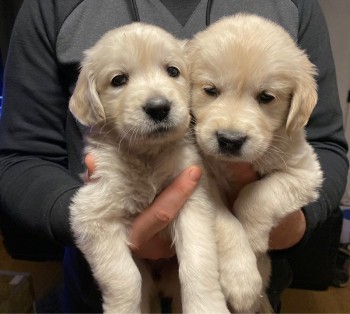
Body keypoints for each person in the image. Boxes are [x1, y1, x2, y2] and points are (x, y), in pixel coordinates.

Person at [0, 0, 347, 312]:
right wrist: (106, 226)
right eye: (209, 90)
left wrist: (292, 224)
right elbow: (20, 158)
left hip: (242, 294)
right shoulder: (51, 7)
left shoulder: (295, 6)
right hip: (99, 291)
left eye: (172, 71)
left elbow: (327, 147)